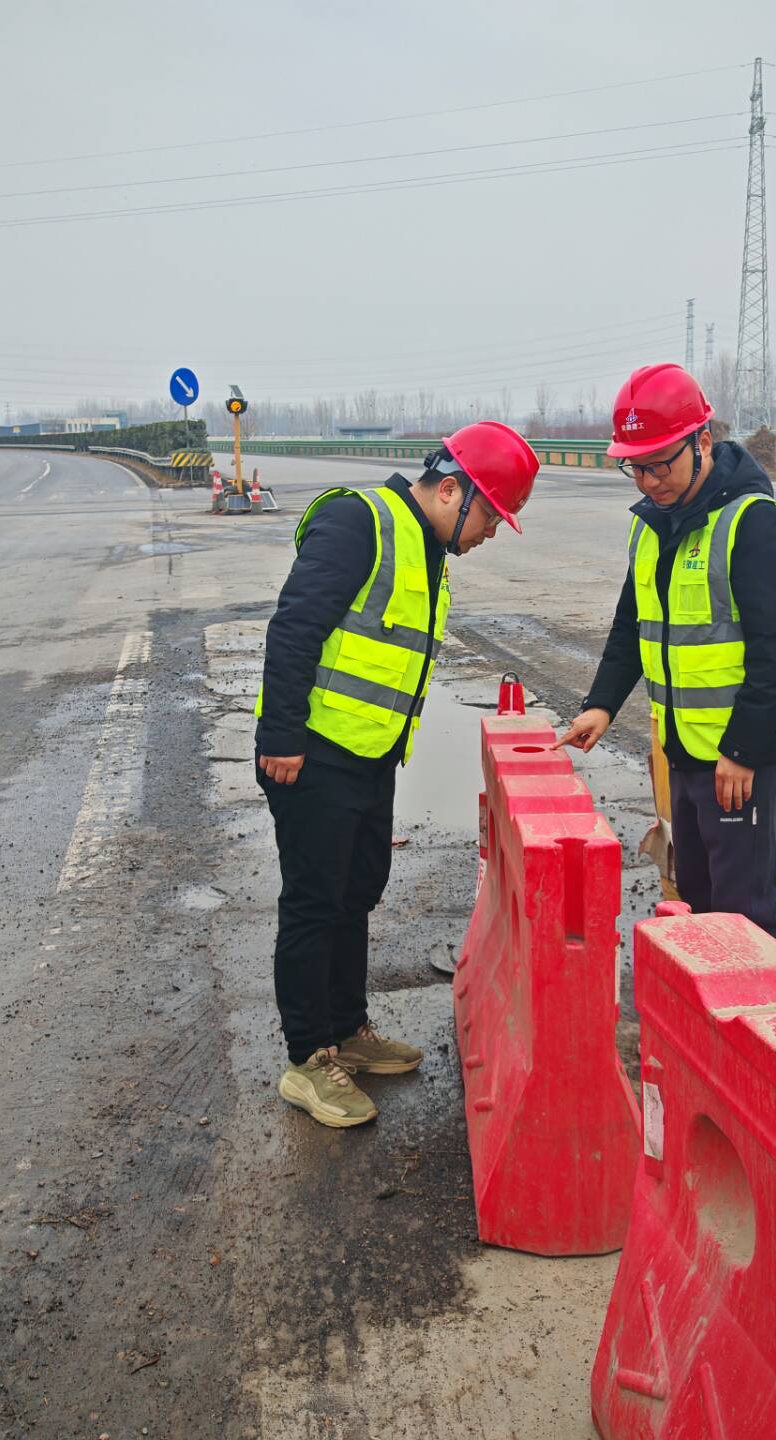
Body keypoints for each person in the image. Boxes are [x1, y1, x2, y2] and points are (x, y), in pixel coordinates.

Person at [255, 422, 539, 1127]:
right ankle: (307, 1059)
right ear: (451, 491)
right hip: (313, 752)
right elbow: (294, 629)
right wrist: (282, 735)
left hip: (370, 754)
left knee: (357, 892)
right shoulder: (360, 522)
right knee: (315, 903)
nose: (491, 534)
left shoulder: (427, 547)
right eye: (490, 517)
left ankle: (347, 1030)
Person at [557, 364, 776, 943]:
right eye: (634, 467)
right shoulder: (652, 527)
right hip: (685, 750)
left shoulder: (752, 523)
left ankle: (756, 1002)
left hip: (743, 759)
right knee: (696, 901)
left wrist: (743, 750)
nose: (648, 481)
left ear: (702, 442)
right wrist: (601, 704)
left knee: (745, 919)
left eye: (659, 464)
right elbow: (632, 625)